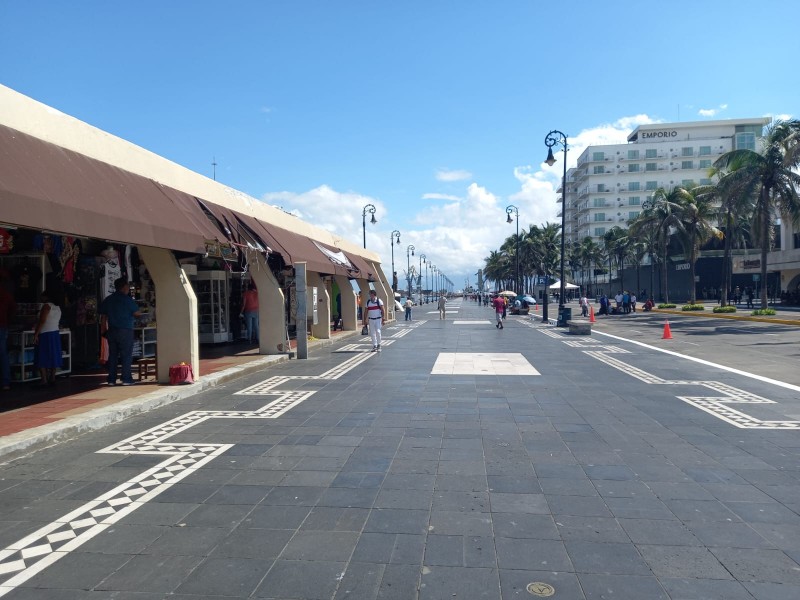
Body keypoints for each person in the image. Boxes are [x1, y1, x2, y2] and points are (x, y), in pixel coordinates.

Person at [99, 277, 142, 386]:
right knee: (126, 355)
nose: (128, 288)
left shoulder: (109, 299)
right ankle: (126, 379)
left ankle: (111, 379)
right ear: (124, 287)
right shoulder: (127, 300)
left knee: (112, 355)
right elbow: (137, 313)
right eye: (127, 286)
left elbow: (103, 316)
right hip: (125, 330)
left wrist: (103, 330)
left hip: (112, 330)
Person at [32, 289, 62, 388]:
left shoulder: (46, 306)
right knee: (53, 355)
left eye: (42, 296)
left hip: (45, 334)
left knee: (42, 355)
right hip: (55, 333)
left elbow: (42, 321)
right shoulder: (57, 308)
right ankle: (52, 377)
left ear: (46, 297)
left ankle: (44, 379)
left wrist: (36, 333)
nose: (41, 298)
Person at [0, 273, 16, 391]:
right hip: (3, 326)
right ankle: (6, 381)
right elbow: (12, 311)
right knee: (3, 354)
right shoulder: (7, 295)